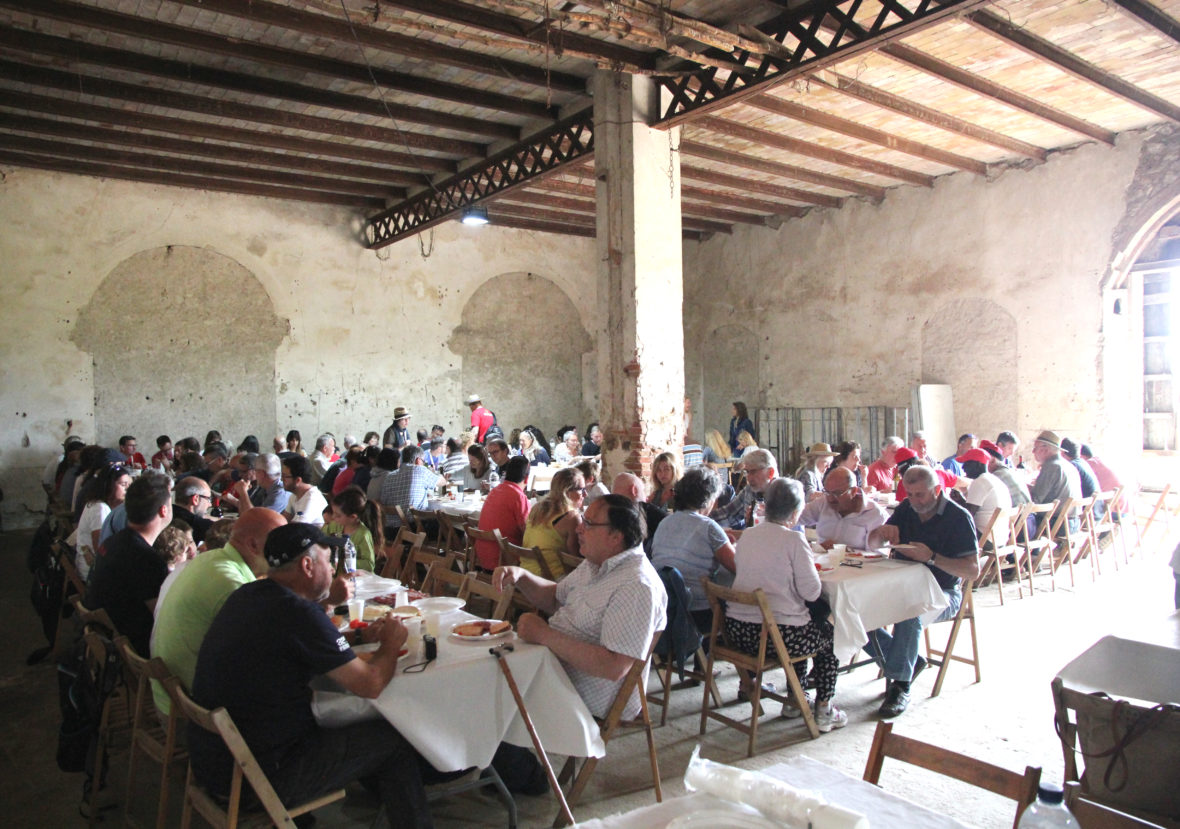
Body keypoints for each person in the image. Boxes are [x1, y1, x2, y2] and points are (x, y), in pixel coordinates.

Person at [188, 524, 438, 829]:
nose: (334, 570)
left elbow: (304, 648)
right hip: (260, 778)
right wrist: (390, 643)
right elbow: (370, 684)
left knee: (356, 726)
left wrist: (358, 640)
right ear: (307, 565)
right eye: (329, 561)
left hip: (214, 764)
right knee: (392, 738)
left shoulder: (249, 594)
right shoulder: (299, 613)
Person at [493, 495, 668, 719]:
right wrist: (521, 576)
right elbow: (556, 598)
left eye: (589, 523)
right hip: (551, 669)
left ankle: (516, 753)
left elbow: (613, 667)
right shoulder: (597, 562)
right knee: (482, 677)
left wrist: (545, 635)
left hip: (582, 695)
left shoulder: (636, 585)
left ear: (616, 536)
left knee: (490, 699)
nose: (578, 529)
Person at [727, 477, 846, 731]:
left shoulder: (747, 536)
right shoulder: (793, 540)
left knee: (800, 619)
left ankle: (795, 699)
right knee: (829, 635)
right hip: (776, 639)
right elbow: (812, 593)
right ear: (795, 512)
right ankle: (824, 708)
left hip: (738, 633)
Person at [866, 465, 981, 718]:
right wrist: (880, 534)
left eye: (921, 495)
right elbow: (873, 543)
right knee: (854, 610)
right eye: (910, 494)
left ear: (937, 490)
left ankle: (900, 685)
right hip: (901, 586)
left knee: (911, 613)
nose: (915, 501)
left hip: (944, 591)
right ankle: (908, 661)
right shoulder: (907, 509)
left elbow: (973, 571)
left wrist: (931, 558)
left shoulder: (958, 517)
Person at [151, 508, 286, 714]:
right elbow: (273, 652)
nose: (286, 553)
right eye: (280, 544)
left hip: (174, 700)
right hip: (193, 717)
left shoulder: (210, 559)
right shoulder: (231, 584)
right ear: (252, 545)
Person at [87, 473, 174, 655]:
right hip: (132, 647)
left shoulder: (114, 541)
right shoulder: (146, 559)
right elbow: (164, 618)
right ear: (163, 510)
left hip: (109, 634)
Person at [651, 466, 736, 634]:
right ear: (710, 499)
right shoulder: (708, 527)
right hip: (696, 614)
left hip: (662, 611)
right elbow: (736, 567)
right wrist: (732, 547)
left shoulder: (664, 522)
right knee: (740, 606)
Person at [798, 465, 887, 549]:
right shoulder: (823, 502)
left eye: (837, 494)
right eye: (827, 492)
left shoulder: (875, 514)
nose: (831, 499)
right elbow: (793, 517)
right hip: (821, 563)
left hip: (858, 564)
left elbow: (877, 556)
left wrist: (843, 551)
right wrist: (811, 546)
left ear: (853, 491)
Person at [522, 467, 585, 578]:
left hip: (525, 574)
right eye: (581, 490)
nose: (585, 495)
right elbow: (575, 559)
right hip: (550, 578)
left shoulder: (537, 508)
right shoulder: (572, 518)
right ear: (567, 491)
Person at [75, 464, 132, 580]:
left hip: (95, 566)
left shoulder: (105, 505)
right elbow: (101, 549)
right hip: (91, 572)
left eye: (129, 485)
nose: (127, 489)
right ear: (108, 485)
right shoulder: (100, 509)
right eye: (123, 485)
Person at [475, 456, 530, 572]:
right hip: (504, 559)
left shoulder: (495, 490)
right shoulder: (518, 496)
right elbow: (527, 531)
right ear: (527, 479)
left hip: (482, 557)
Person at [711, 448, 779, 530]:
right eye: (747, 472)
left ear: (770, 472)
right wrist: (700, 518)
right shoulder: (750, 490)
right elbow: (729, 514)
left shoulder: (785, 494)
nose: (748, 477)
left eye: (753, 472)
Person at [1029, 430, 1081, 533]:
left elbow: (1035, 500)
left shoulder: (1052, 466)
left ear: (1045, 449)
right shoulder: (1068, 465)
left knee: (1020, 525)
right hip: (1074, 523)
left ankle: (1032, 549)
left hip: (1057, 524)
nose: (1033, 452)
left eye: (1035, 448)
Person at [958, 447, 1013, 544]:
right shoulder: (994, 480)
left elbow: (967, 517)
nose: (963, 468)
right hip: (1001, 540)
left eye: (966, 464)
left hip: (986, 539)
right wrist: (961, 500)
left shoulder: (980, 482)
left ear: (978, 464)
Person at [380, 445, 442, 528]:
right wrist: (432, 472)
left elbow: (383, 501)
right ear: (418, 461)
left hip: (390, 530)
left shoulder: (389, 476)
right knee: (449, 526)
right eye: (423, 461)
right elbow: (442, 482)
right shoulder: (419, 470)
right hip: (413, 529)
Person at [324, 486, 383, 572]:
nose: (333, 517)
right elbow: (320, 538)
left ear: (353, 517)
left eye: (338, 515)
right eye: (333, 513)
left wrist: (345, 561)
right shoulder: (334, 526)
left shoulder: (363, 535)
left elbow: (369, 564)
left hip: (356, 579)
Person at [611, 472, 667, 555]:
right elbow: (669, 524)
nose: (646, 497)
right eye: (643, 490)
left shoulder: (605, 513)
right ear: (634, 490)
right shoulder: (645, 510)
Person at [1060, 438, 1104, 518]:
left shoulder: (1072, 466)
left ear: (1062, 453)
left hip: (1087, 517)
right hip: (1097, 514)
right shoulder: (1083, 463)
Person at [980, 439, 1031, 507]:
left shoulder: (995, 477)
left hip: (1017, 516)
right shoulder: (1010, 471)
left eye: (981, 461)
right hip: (1026, 515)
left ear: (992, 460)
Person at [172, 476, 214, 545]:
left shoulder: (167, 515)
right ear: (195, 499)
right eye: (208, 499)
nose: (210, 504)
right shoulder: (199, 525)